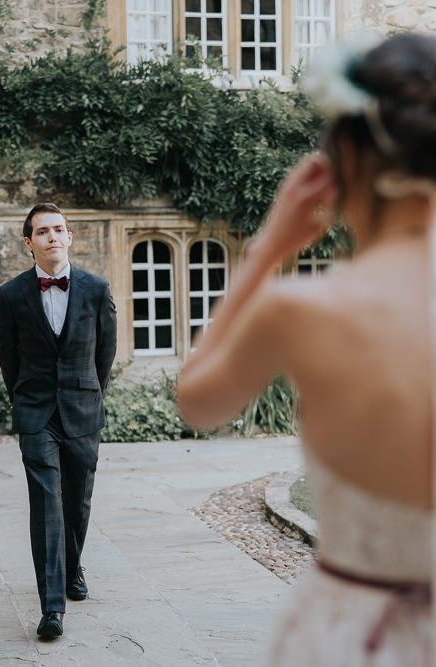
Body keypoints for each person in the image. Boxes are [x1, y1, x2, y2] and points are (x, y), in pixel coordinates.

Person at [177, 33, 435, 666]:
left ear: (343, 160)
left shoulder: (302, 308)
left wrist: (270, 246)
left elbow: (198, 401)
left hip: (350, 632)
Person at [0, 202, 117, 640]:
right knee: (46, 503)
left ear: (69, 237)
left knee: (77, 500)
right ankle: (52, 608)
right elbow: (8, 358)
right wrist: (25, 400)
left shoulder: (96, 289)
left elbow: (105, 355)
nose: (52, 237)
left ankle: (72, 566)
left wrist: (89, 394)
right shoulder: (12, 295)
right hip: (36, 414)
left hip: (83, 410)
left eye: (59, 229)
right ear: (29, 243)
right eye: (42, 231)